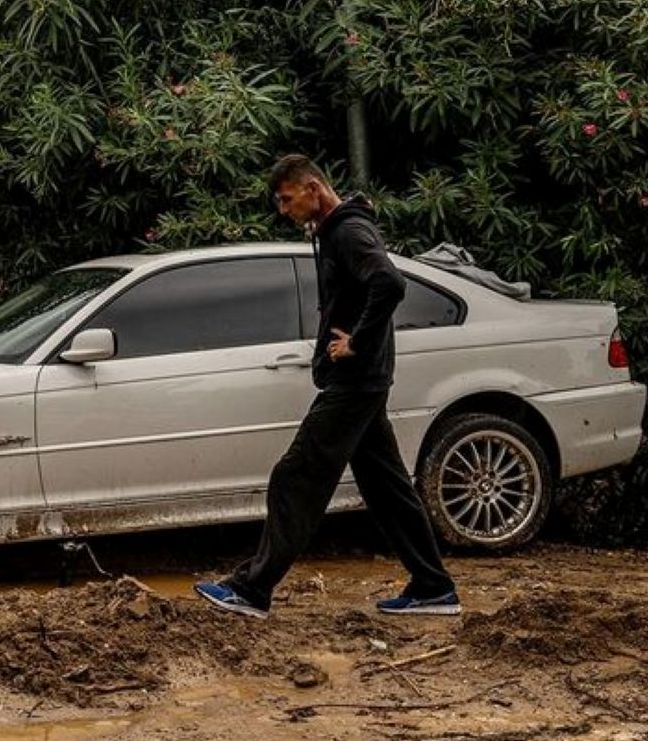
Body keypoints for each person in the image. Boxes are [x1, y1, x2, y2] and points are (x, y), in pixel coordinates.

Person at [195, 155, 461, 620]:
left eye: (287, 199)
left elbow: (389, 283)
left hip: (355, 382)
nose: (284, 210)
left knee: (295, 475)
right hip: (363, 381)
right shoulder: (336, 229)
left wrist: (357, 341)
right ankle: (433, 587)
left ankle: (252, 589)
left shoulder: (348, 232)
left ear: (313, 188)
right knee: (387, 488)